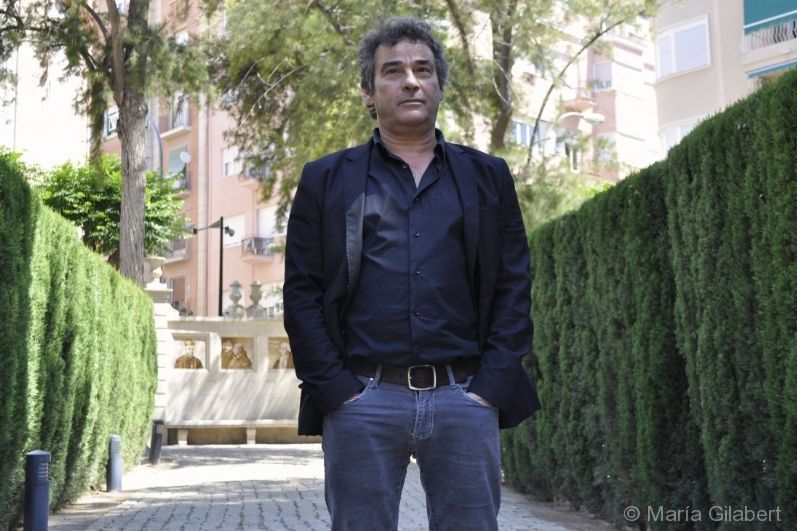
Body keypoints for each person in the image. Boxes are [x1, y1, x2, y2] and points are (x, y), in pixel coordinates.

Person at [284, 17, 541, 531]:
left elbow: (513, 286)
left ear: (439, 85)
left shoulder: (488, 177)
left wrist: (488, 388)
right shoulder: (325, 179)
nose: (410, 81)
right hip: (362, 401)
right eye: (393, 71)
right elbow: (302, 294)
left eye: (423, 70)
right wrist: (337, 391)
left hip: (464, 399)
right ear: (368, 92)